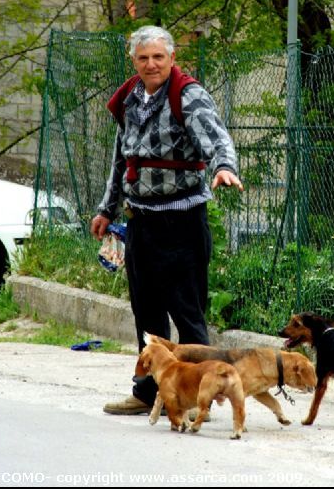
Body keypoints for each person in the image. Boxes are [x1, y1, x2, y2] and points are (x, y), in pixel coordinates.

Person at [91, 25, 243, 415]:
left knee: (188, 315)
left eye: (159, 57)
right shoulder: (129, 99)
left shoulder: (188, 95)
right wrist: (107, 209)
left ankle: (197, 398)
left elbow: (217, 138)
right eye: (143, 58)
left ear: (172, 58)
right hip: (142, 223)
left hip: (183, 223)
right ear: (134, 61)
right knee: (147, 313)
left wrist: (224, 167)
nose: (151, 64)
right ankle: (147, 392)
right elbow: (122, 160)